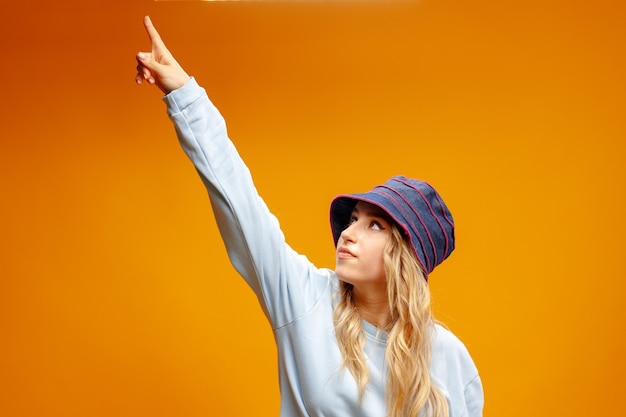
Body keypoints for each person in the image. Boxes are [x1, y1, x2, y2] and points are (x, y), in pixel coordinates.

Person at [135, 15, 483, 417]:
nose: (348, 234)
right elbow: (240, 203)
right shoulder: (306, 300)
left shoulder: (451, 359)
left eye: (375, 225)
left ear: (406, 256)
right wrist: (184, 95)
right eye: (352, 219)